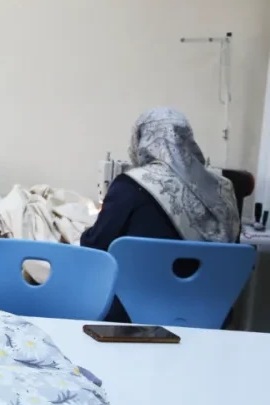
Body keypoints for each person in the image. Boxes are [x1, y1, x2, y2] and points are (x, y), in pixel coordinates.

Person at [81, 107, 240, 321]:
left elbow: (95, 247)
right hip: (207, 314)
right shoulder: (223, 189)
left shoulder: (130, 185)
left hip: (132, 315)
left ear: (141, 140)